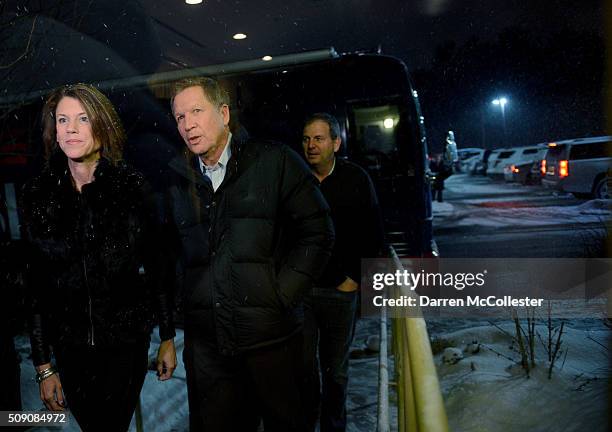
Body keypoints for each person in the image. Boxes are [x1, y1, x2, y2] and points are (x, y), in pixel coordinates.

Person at [163, 77, 334, 432]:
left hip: (272, 343)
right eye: (179, 117)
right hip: (209, 350)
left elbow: (318, 232)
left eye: (197, 111)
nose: (188, 124)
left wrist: (280, 295)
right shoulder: (177, 182)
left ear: (224, 113)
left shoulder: (274, 161)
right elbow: (170, 255)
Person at [19, 83, 176, 431]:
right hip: (70, 349)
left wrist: (167, 336)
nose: (71, 128)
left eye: (82, 118)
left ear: (102, 127)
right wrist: (44, 365)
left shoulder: (133, 189)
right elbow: (36, 288)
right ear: (54, 130)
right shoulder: (36, 196)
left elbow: (158, 267)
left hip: (125, 347)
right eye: (62, 119)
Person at [301, 113, 384, 432]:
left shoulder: (356, 179)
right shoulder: (297, 179)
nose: (311, 145)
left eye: (319, 138)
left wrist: (355, 280)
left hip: (341, 293)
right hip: (304, 294)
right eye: (307, 138)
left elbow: (374, 235)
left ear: (336, 143)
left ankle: (333, 428)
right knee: (304, 370)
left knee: (335, 372)